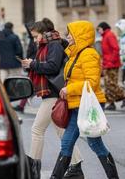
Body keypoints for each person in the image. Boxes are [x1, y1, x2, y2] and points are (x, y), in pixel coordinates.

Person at [50, 20, 119, 179]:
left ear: (80, 35)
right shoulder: (75, 53)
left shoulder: (89, 54)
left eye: (71, 33)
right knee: (67, 143)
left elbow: (92, 82)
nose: (68, 36)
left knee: (95, 144)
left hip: (89, 105)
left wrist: (70, 89)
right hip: (76, 104)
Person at [21, 20, 84, 179]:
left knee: (37, 130)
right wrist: (30, 64)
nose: (34, 40)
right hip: (53, 92)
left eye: (36, 36)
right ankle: (76, 166)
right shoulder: (45, 45)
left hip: (54, 92)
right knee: (62, 132)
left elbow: (52, 67)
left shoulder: (54, 45)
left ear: (43, 32)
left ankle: (34, 168)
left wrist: (33, 64)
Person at [97, 22, 125, 111]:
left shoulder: (109, 35)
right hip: (107, 64)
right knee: (107, 84)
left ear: (103, 28)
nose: (98, 31)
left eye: (99, 29)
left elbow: (116, 49)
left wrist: (110, 61)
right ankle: (111, 103)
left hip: (112, 65)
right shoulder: (105, 36)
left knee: (111, 84)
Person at [13, 22, 37, 113]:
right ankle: (21, 105)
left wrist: (28, 62)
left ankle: (21, 105)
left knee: (29, 87)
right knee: (30, 87)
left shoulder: (33, 40)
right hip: (32, 65)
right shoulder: (32, 39)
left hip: (33, 65)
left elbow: (33, 53)